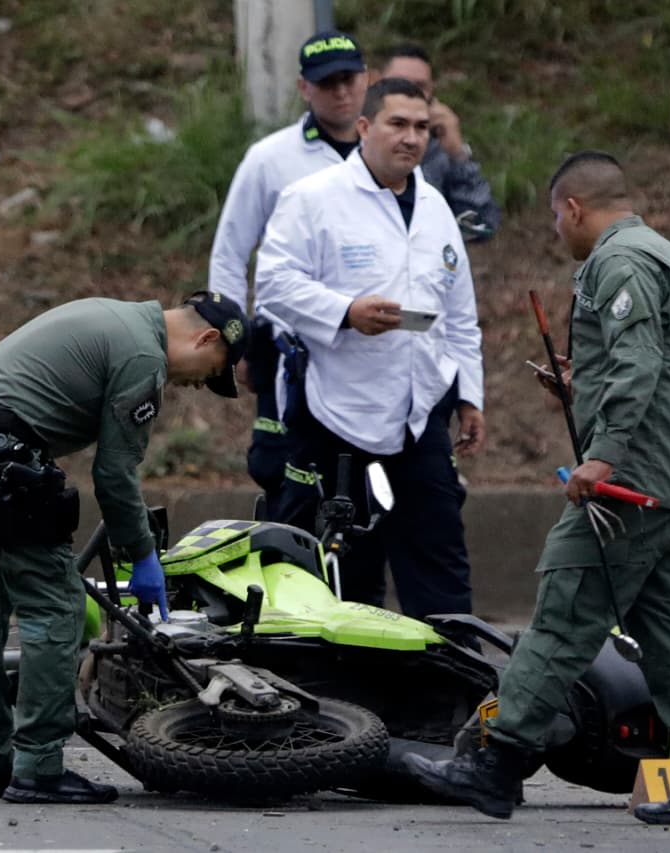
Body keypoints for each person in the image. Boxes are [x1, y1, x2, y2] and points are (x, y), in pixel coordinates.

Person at [403, 150, 670, 825]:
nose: (557, 233)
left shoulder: (617, 263)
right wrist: (581, 384)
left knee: (565, 609)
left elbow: (640, 363)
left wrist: (602, 456)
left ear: (572, 208)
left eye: (555, 220)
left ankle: (496, 762)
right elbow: (658, 362)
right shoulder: (667, 256)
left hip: (630, 486)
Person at [0, 291, 248, 804]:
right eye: (208, 370)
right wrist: (142, 554)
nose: (197, 384)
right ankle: (40, 769)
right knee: (58, 607)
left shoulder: (110, 314)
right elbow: (114, 475)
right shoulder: (142, 357)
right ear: (204, 338)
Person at [254, 77, 485, 619]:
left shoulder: (435, 208)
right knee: (347, 571)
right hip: (339, 415)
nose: (410, 138)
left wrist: (470, 395)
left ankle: (455, 697)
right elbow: (272, 286)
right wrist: (344, 312)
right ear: (364, 127)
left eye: (422, 127)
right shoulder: (313, 199)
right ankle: (347, 697)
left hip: (420, 412)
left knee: (441, 564)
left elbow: (459, 316)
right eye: (397, 124)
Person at [209, 29, 368, 507]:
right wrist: (232, 340)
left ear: (367, 80)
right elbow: (230, 252)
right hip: (286, 341)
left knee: (362, 477)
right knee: (282, 469)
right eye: (327, 83)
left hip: (366, 345)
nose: (340, 91)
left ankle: (355, 580)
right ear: (304, 88)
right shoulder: (270, 159)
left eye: (348, 79)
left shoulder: (387, 153)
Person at [375, 42, 500, 242]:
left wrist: (458, 154)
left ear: (432, 91)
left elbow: (480, 228)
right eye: (400, 83)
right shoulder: (357, 142)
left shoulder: (439, 149)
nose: (410, 93)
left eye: (420, 86)